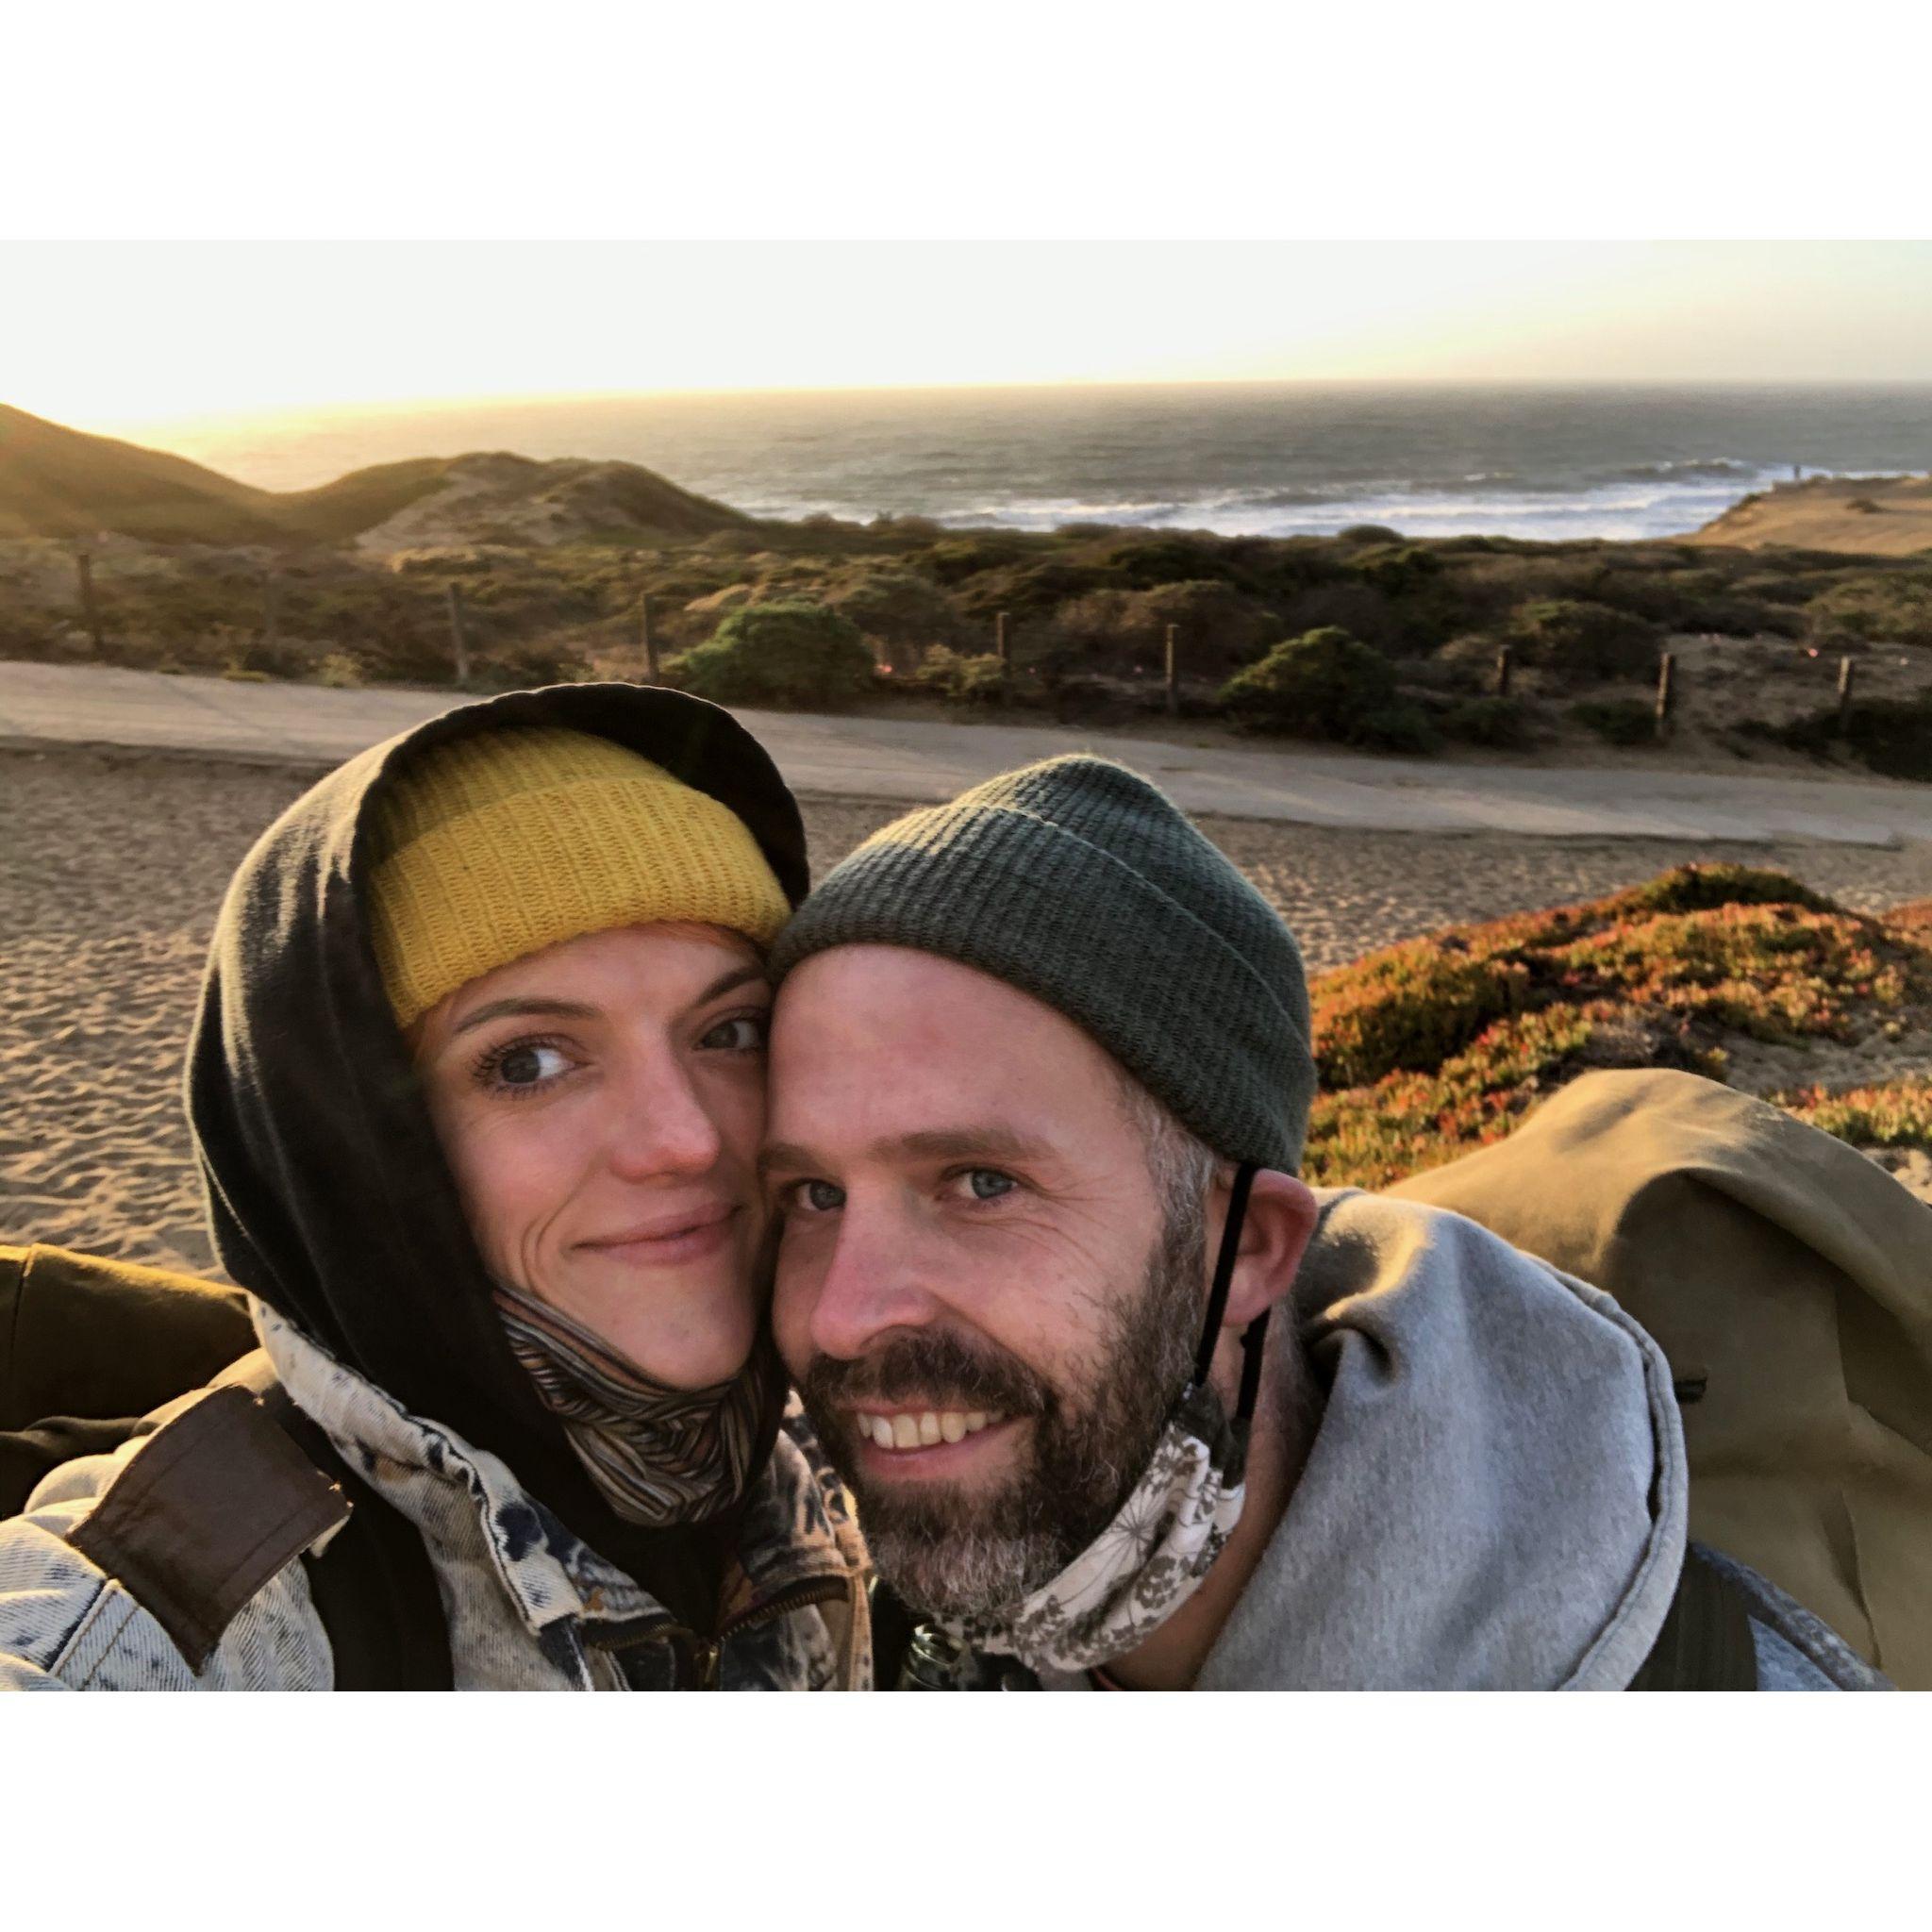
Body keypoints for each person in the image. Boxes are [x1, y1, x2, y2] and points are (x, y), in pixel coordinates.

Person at [758, 753, 1888, 1690]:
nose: (848, 1314)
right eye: (811, 1193)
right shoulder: (838, 1591)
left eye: (979, 1181)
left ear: (1248, 1248)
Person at [0, 685, 869, 1690]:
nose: (684, 1137)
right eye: (528, 1062)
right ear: (356, 1152)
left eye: (730, 1031)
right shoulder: (139, 1627)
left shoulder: (839, 1430)